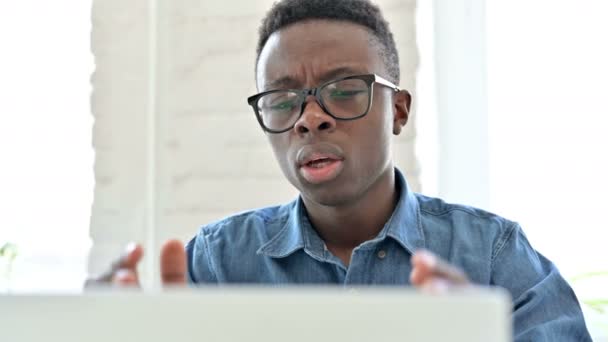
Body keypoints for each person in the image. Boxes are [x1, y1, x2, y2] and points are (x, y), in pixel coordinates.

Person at [88, 0, 591, 340]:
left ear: (398, 111)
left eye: (346, 89)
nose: (310, 118)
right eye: (283, 100)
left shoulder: (494, 260)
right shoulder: (215, 266)